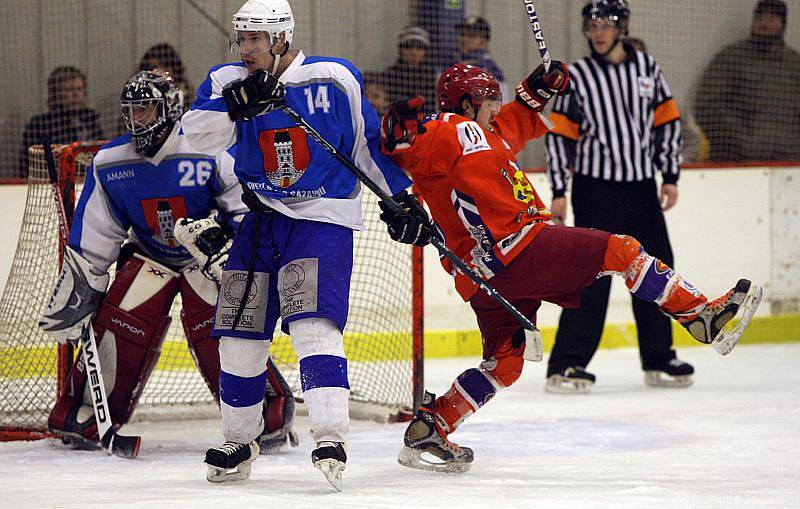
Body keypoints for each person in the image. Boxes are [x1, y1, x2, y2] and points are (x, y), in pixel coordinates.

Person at [377, 61, 762, 471]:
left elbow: (516, 119)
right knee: (623, 251)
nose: (498, 106)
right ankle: (702, 316)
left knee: (505, 363)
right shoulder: (455, 128)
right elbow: (401, 144)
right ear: (468, 102)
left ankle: (432, 426)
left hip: (483, 278)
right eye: (491, 99)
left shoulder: (487, 133)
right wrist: (397, 127)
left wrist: (539, 87)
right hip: (519, 248)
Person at [181, 0, 412, 490]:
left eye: (254, 39)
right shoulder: (226, 82)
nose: (245, 48)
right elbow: (195, 137)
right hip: (259, 219)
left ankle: (329, 436)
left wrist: (401, 200)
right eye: (241, 39)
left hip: (320, 217)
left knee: (313, 323)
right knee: (240, 334)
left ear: (281, 39)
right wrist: (233, 107)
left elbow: (365, 147)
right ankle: (239, 440)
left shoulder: (334, 78)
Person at [38, 71, 296, 456]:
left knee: (222, 327)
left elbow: (246, 205)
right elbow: (97, 232)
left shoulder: (207, 148)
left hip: (205, 260)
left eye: (147, 108)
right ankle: (90, 411)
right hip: (149, 256)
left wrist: (226, 242)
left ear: (170, 107)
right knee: (121, 322)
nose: (138, 118)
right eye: (132, 110)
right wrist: (81, 289)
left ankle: (263, 409)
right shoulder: (110, 161)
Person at [543, 0, 693, 393]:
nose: (598, 31)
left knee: (656, 268)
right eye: (592, 25)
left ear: (622, 27)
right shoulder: (576, 76)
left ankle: (658, 358)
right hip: (595, 190)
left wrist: (670, 175)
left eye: (606, 24)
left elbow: (668, 123)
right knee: (591, 274)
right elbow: (560, 138)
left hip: (642, 188)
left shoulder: (648, 69)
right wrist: (559, 190)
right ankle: (567, 364)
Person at [695, 0, 800, 162]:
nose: (763, 23)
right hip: (736, 160)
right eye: (759, 17)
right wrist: (742, 141)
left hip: (788, 163)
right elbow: (707, 105)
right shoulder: (731, 57)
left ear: (782, 24)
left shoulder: (794, 63)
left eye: (771, 17)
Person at [20, 66, 102, 176]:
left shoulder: (90, 121)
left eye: (79, 89)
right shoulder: (39, 124)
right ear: (55, 94)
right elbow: (28, 165)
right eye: (68, 90)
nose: (76, 95)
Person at [383, 26, 438, 116]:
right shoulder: (390, 75)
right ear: (401, 50)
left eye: (419, 48)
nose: (413, 52)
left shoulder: (432, 76)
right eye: (408, 47)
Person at [453, 16, 509, 103]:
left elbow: (500, 105)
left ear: (483, 40)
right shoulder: (451, 63)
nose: (465, 39)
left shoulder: (489, 70)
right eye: (462, 34)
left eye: (472, 36)